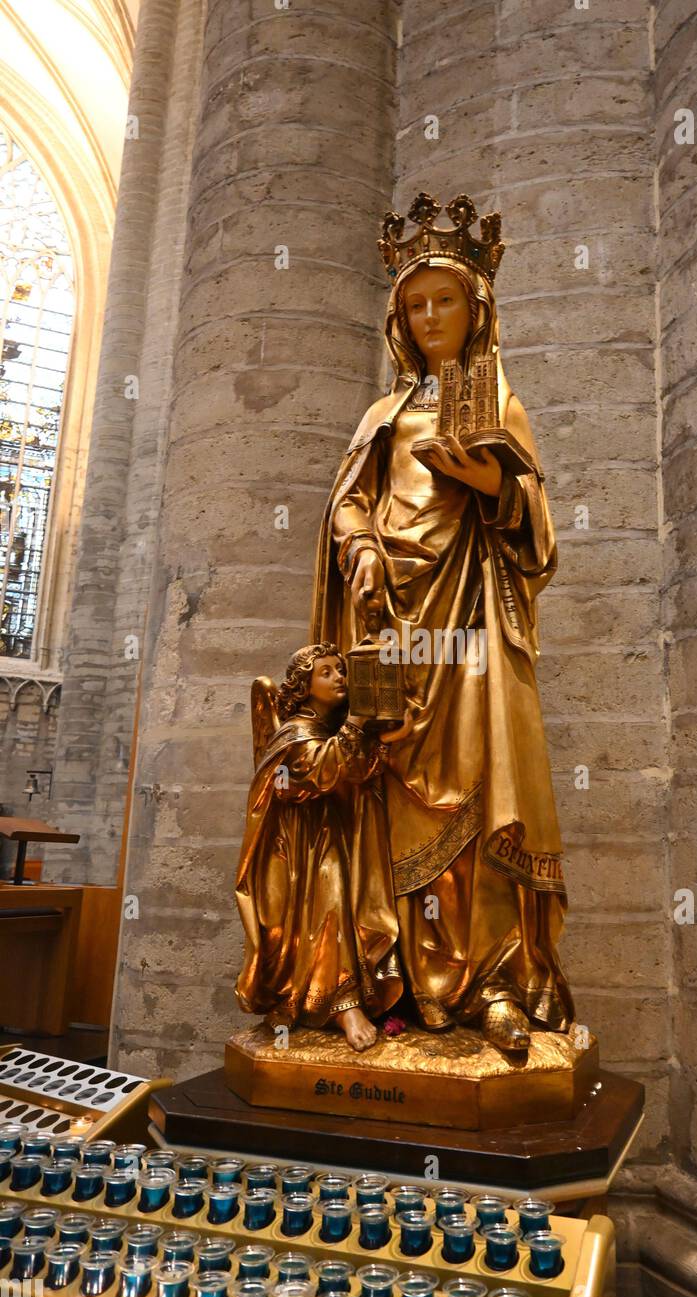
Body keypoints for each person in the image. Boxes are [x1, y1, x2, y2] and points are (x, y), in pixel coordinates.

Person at [311, 194, 575, 1054]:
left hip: (469, 632)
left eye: (445, 302)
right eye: (415, 305)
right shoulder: (380, 417)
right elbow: (347, 504)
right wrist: (358, 546)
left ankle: (492, 983)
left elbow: (538, 535)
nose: (430, 319)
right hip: (390, 624)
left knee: (482, 788)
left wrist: (495, 485)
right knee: (389, 795)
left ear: (477, 309)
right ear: (401, 319)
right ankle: (394, 982)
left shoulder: (494, 399)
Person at [234, 643, 412, 1051]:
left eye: (341, 671)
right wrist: (357, 722)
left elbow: (355, 770)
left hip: (330, 836)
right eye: (326, 673)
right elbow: (321, 770)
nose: (339, 679)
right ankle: (343, 1005)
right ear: (304, 686)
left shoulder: (330, 730)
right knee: (328, 903)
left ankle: (321, 997)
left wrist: (391, 737)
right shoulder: (294, 732)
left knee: (339, 909)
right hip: (296, 850)